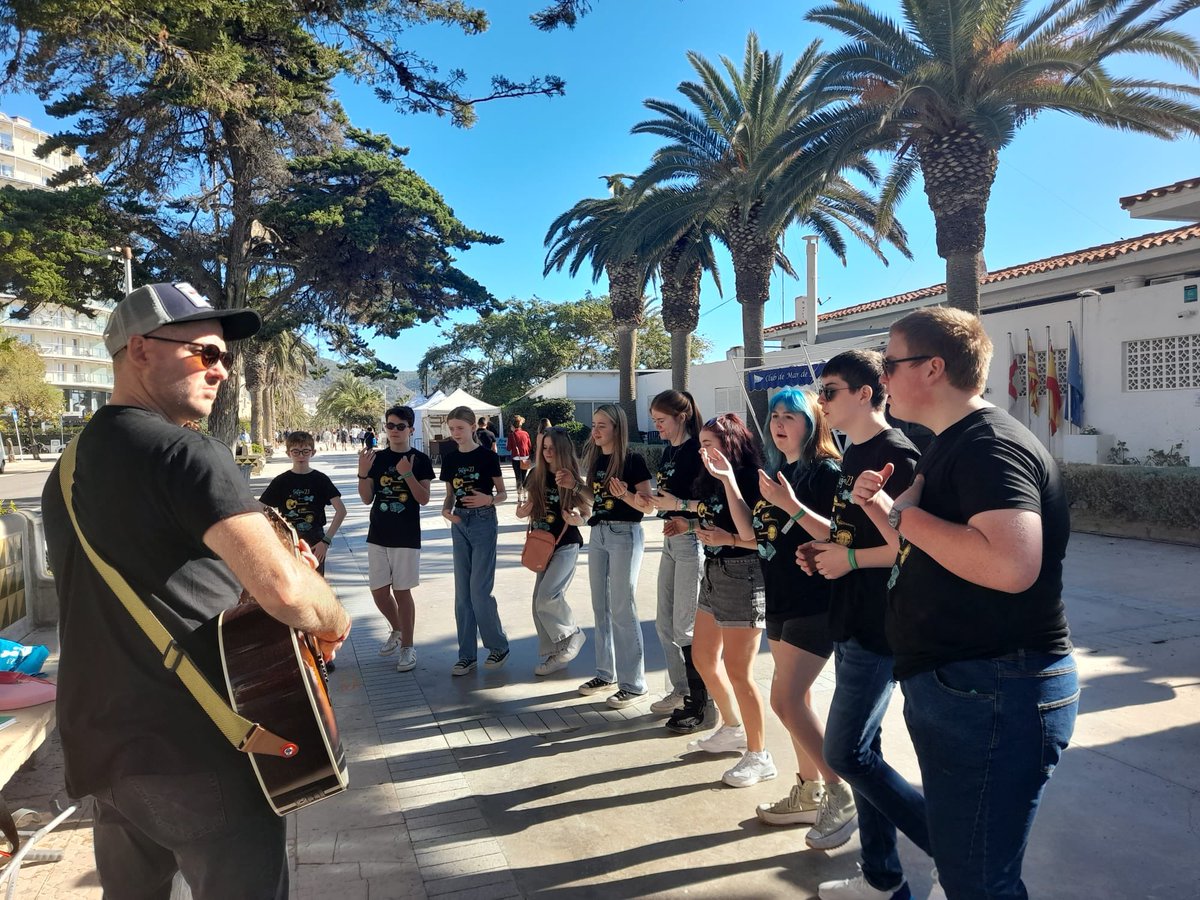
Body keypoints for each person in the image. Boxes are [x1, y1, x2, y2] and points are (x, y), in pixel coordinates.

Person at [41, 282, 350, 900]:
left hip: (107, 754)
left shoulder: (68, 467)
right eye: (203, 353)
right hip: (200, 752)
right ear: (139, 350)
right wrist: (334, 620)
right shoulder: (186, 452)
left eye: (225, 358)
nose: (220, 371)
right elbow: (286, 590)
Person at [853, 308, 1076, 900]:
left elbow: (1010, 565)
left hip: (994, 689)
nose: (883, 376)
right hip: (971, 688)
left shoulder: (989, 446)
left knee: (979, 882)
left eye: (890, 363)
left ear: (932, 368)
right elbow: (926, 549)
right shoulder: (952, 444)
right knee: (969, 871)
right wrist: (885, 510)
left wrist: (909, 512)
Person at [796, 349, 931, 897]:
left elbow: (911, 548)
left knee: (845, 752)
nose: (820, 403)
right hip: (851, 615)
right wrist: (827, 545)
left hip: (881, 622)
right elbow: (859, 531)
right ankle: (881, 879)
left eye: (828, 392)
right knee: (865, 754)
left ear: (865, 394)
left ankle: (955, 852)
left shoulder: (897, 453)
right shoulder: (854, 452)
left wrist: (847, 559)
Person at [748, 389, 849, 828]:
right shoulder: (778, 470)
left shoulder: (826, 471)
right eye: (775, 415)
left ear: (813, 423)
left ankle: (838, 789)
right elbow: (758, 533)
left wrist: (790, 504)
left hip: (815, 599)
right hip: (779, 598)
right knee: (797, 700)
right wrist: (733, 485)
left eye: (791, 415)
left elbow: (840, 534)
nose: (779, 423)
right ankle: (808, 790)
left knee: (785, 700)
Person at [678, 413, 772, 788]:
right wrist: (689, 523)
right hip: (714, 572)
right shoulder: (709, 478)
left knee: (739, 672)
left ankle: (759, 754)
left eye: (709, 444)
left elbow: (753, 534)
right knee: (702, 657)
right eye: (701, 445)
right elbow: (710, 521)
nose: (703, 452)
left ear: (731, 444)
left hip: (745, 574)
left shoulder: (749, 479)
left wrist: (729, 482)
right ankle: (732, 727)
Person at [636, 390, 707, 731]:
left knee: (685, 626)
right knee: (664, 624)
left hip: (690, 539)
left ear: (681, 416)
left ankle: (700, 700)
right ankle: (681, 691)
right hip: (669, 539)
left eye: (661, 421)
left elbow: (708, 502)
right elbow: (666, 499)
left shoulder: (698, 451)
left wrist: (678, 505)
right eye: (654, 421)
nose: (657, 427)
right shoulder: (669, 451)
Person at [577, 404, 653, 709]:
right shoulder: (597, 459)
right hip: (599, 533)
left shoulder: (633, 460)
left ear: (617, 429)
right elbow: (597, 498)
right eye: (594, 425)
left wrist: (625, 495)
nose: (595, 431)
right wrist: (575, 487)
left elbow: (648, 505)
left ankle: (634, 684)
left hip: (625, 534)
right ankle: (605, 673)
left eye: (602, 426)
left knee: (623, 607)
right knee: (601, 606)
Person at [359, 405, 435, 673]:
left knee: (402, 592)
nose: (394, 431)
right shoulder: (376, 458)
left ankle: (408, 648)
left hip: (405, 535)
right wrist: (362, 472)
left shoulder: (420, 459)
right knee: (379, 592)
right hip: (378, 533)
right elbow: (367, 498)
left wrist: (407, 474)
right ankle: (397, 630)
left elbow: (424, 499)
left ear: (411, 429)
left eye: (400, 426)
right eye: (390, 425)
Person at [514, 427, 589, 676]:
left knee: (548, 596)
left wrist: (578, 517)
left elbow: (587, 512)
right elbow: (527, 506)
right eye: (544, 448)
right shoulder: (535, 474)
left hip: (566, 542)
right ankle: (556, 655)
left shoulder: (571, 477)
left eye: (553, 448)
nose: (547, 452)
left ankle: (573, 634)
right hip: (541, 544)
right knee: (539, 603)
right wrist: (523, 511)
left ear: (563, 450)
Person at [441, 404, 510, 674]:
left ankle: (498, 646)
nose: (455, 433)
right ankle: (466, 654)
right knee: (462, 593)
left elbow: (504, 493)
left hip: (483, 521)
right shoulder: (449, 458)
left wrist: (489, 499)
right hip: (459, 522)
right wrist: (446, 510)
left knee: (479, 591)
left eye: (460, 428)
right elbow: (449, 493)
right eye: (451, 429)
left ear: (473, 427)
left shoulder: (487, 457)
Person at [259, 430, 346, 577]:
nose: (301, 456)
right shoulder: (281, 481)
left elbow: (341, 511)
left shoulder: (321, 479)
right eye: (296, 451)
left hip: (315, 542)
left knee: (315, 588)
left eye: (305, 451)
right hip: (287, 542)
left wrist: (325, 541)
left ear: (313, 452)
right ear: (288, 453)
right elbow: (259, 509)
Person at [508, 415, 532, 503]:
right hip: (525, 457)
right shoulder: (526, 433)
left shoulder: (512, 435)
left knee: (518, 477)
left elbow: (508, 448)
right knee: (524, 477)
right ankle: (526, 495)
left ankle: (519, 497)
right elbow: (529, 446)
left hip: (516, 458)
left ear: (513, 426)